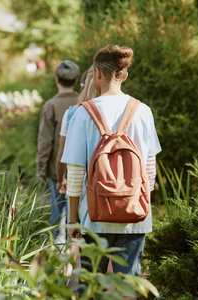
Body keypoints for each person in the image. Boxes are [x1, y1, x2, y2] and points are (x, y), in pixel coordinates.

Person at [61, 45, 161, 296]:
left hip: (93, 217)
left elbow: (75, 174)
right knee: (128, 289)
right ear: (124, 75)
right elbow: (149, 172)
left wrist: (73, 220)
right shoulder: (143, 112)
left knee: (89, 287)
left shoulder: (83, 114)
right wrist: (132, 203)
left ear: (96, 74)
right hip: (134, 219)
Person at [36, 60, 80, 234]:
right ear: (76, 80)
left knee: (55, 213)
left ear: (56, 80)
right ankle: (74, 254)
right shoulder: (83, 102)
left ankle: (53, 252)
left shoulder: (51, 106)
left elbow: (45, 141)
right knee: (75, 216)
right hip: (79, 170)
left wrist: (40, 168)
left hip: (56, 172)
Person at [56, 67, 97, 196]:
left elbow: (62, 155)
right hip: (109, 183)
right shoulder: (114, 111)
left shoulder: (71, 114)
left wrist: (60, 179)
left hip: (79, 186)